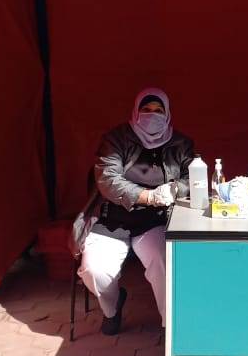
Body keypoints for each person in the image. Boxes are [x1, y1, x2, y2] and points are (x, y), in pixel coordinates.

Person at [77, 88, 194, 335]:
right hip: (113, 218)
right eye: (146, 110)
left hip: (155, 220)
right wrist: (147, 196)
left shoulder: (181, 143)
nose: (152, 116)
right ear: (136, 111)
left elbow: (192, 179)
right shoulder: (116, 139)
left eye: (158, 110)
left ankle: (171, 326)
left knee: (164, 262)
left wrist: (175, 189)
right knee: (94, 270)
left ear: (168, 114)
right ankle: (112, 307)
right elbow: (107, 179)